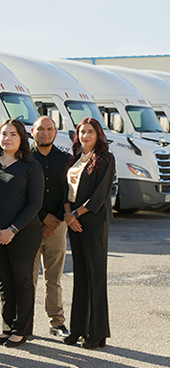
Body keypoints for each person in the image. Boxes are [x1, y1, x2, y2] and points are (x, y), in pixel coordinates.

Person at [0, 119, 44, 348]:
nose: (8, 138)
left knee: (22, 279)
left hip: (23, 233)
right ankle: (7, 327)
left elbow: (35, 203)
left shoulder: (31, 166)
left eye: (13, 134)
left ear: (22, 138)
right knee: (5, 281)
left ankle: (21, 329)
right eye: (4, 134)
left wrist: (12, 229)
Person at [63, 117, 115, 350]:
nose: (85, 136)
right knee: (81, 276)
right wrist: (68, 214)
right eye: (82, 132)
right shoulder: (75, 157)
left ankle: (97, 332)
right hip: (74, 222)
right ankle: (78, 329)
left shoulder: (106, 158)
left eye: (90, 132)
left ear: (98, 135)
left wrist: (76, 214)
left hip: (93, 222)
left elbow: (100, 193)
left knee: (95, 276)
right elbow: (67, 191)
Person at [31, 115, 73, 339]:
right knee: (27, 278)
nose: (45, 133)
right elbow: (21, 193)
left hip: (57, 227)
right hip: (29, 226)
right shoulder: (25, 158)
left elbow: (69, 193)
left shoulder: (66, 159)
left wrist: (54, 220)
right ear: (32, 131)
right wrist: (41, 217)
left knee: (54, 278)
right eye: (40, 129)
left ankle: (56, 322)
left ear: (56, 133)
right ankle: (24, 323)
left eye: (49, 129)